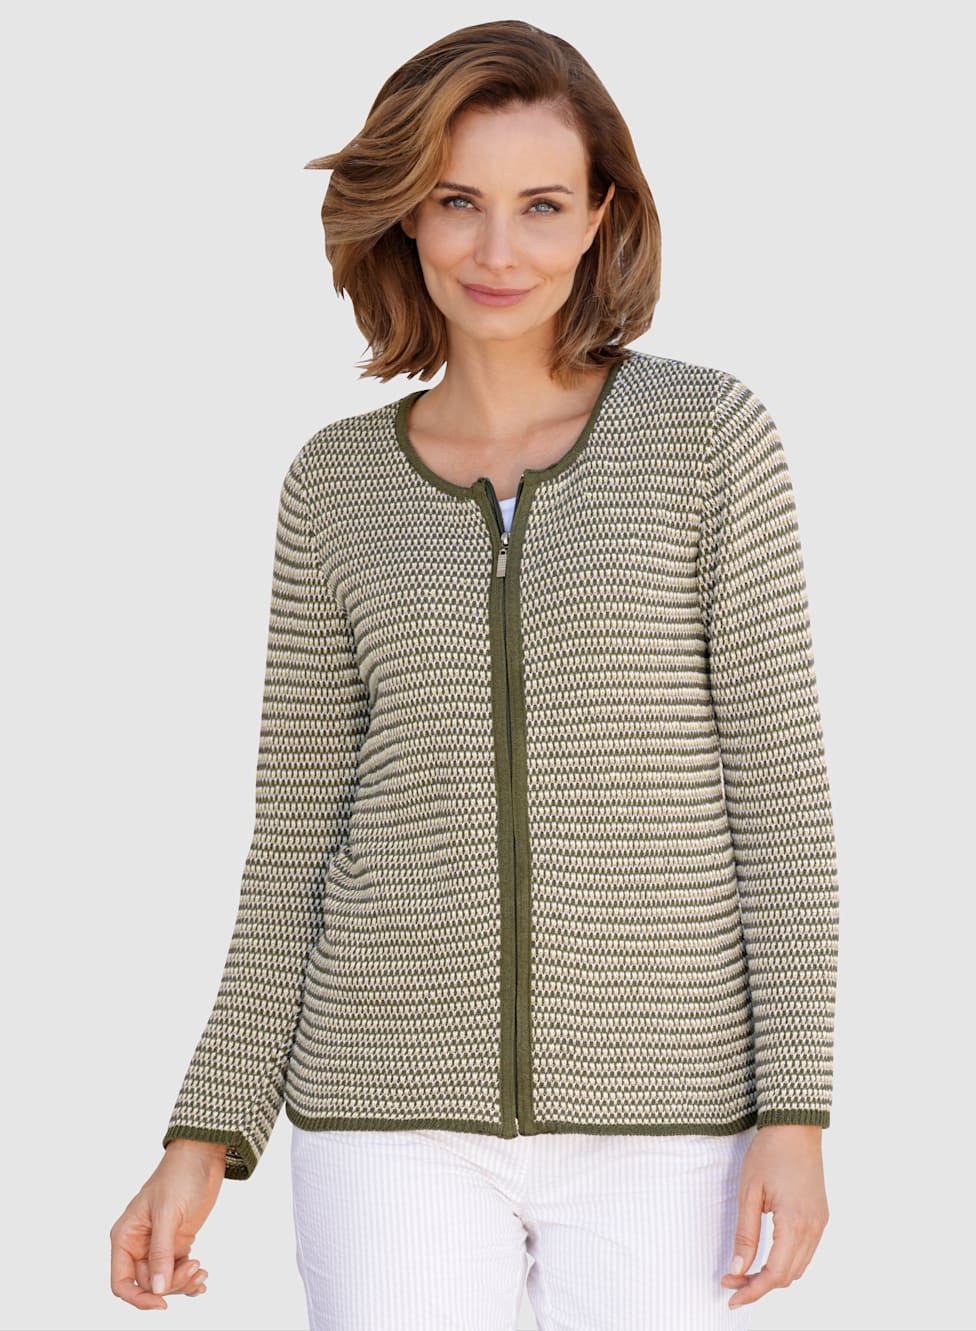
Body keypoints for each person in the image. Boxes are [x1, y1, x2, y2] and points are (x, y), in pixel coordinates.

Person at [110, 19, 839, 1330]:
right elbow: (296, 832)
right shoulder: (336, 484)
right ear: (406, 214)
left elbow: (778, 797)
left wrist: (795, 1108)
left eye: (541, 205)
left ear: (600, 216)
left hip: (666, 1115)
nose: (499, 251)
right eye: (458, 202)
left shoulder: (707, 439)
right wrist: (206, 1128)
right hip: (386, 1107)